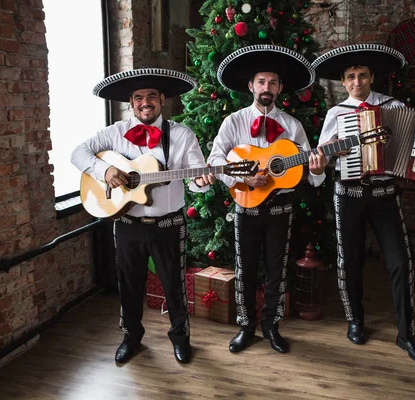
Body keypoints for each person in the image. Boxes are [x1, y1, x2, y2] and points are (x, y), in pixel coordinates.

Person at [71, 68, 215, 364]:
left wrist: (199, 182)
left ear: (162, 100)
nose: (145, 102)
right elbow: (78, 153)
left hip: (169, 224)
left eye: (151, 96)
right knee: (129, 283)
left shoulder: (182, 134)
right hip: (126, 223)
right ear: (131, 103)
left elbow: (195, 175)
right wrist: (105, 170)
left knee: (174, 285)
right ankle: (131, 337)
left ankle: (180, 337)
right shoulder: (114, 133)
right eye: (139, 98)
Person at [311, 44, 415, 365]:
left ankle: (406, 333)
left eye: (363, 76)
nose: (357, 81)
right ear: (344, 81)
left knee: (399, 262)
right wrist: (325, 157)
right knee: (350, 260)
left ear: (372, 78)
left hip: (384, 194)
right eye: (351, 77)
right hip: (349, 194)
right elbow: (322, 157)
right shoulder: (336, 114)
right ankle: (355, 320)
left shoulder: (394, 107)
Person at [208, 45, 326, 354]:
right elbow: (216, 161)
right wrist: (243, 179)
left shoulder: (293, 126)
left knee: (277, 267)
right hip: (246, 204)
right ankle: (246, 326)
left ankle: (271, 326)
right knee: (245, 267)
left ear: (280, 88)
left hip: (281, 207)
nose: (266, 87)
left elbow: (309, 169)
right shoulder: (233, 122)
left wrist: (318, 169)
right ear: (251, 86)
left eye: (272, 82)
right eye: (261, 81)